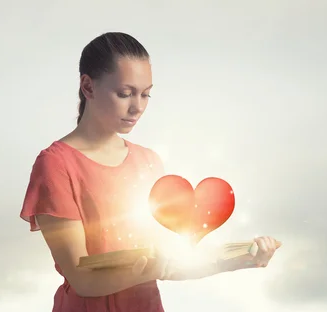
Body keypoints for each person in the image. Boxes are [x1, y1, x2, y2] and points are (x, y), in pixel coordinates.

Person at [19, 32, 280, 312]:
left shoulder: (148, 162)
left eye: (146, 94)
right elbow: (82, 279)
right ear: (88, 86)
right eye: (125, 93)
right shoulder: (56, 165)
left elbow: (170, 262)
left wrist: (239, 260)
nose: (138, 107)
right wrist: (155, 267)